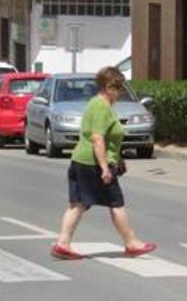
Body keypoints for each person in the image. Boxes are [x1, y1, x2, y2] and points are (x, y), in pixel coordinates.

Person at [50, 66, 156, 260]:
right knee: (116, 203)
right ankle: (131, 242)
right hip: (94, 164)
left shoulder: (97, 105)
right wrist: (105, 167)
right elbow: (98, 138)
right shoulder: (100, 106)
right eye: (118, 88)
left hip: (82, 161)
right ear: (108, 87)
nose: (120, 92)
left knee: (79, 204)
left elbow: (107, 139)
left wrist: (119, 158)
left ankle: (62, 243)